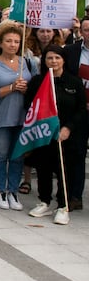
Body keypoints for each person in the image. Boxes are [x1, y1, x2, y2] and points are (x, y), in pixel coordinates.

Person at [27, 44, 87, 224]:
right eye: (49, 58)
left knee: (65, 170)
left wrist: (68, 128)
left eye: (57, 58)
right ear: (44, 61)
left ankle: (63, 205)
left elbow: (80, 109)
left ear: (64, 60)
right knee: (43, 167)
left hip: (67, 135)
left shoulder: (74, 82)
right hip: (44, 133)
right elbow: (30, 106)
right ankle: (44, 200)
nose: (53, 61)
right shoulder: (38, 81)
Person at [0, 21, 32, 211]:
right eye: (9, 41)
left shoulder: (26, 63)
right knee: (0, 155)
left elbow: (34, 88)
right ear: (0, 43)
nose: (13, 45)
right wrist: (10, 88)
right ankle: (1, 190)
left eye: (16, 42)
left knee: (17, 155)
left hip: (22, 116)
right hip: (1, 117)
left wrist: (26, 89)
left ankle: (13, 190)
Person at [61, 16, 89, 211]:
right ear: (81, 31)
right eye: (87, 29)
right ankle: (74, 196)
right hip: (79, 112)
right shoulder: (70, 52)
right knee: (76, 154)